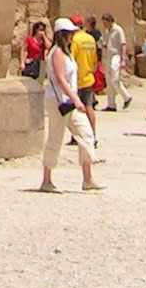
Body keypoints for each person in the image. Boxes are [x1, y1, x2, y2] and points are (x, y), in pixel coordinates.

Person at [39, 18, 100, 193]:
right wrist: (76, 99)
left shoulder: (67, 52)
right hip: (60, 102)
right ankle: (46, 180)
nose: (72, 36)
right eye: (70, 33)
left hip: (70, 101)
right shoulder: (57, 53)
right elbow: (60, 79)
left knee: (86, 134)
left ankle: (87, 178)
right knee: (55, 138)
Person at [101, 12, 132, 110]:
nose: (104, 25)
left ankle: (126, 97)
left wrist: (123, 59)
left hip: (116, 56)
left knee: (115, 79)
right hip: (108, 56)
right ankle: (111, 104)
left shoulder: (118, 30)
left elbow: (123, 44)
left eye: (105, 23)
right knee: (109, 81)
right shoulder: (107, 31)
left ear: (110, 21)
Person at [72, 16, 100, 124]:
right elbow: (95, 60)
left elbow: (71, 59)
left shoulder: (74, 40)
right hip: (88, 78)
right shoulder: (90, 39)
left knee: (76, 109)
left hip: (77, 79)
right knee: (89, 107)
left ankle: (78, 132)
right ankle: (92, 132)